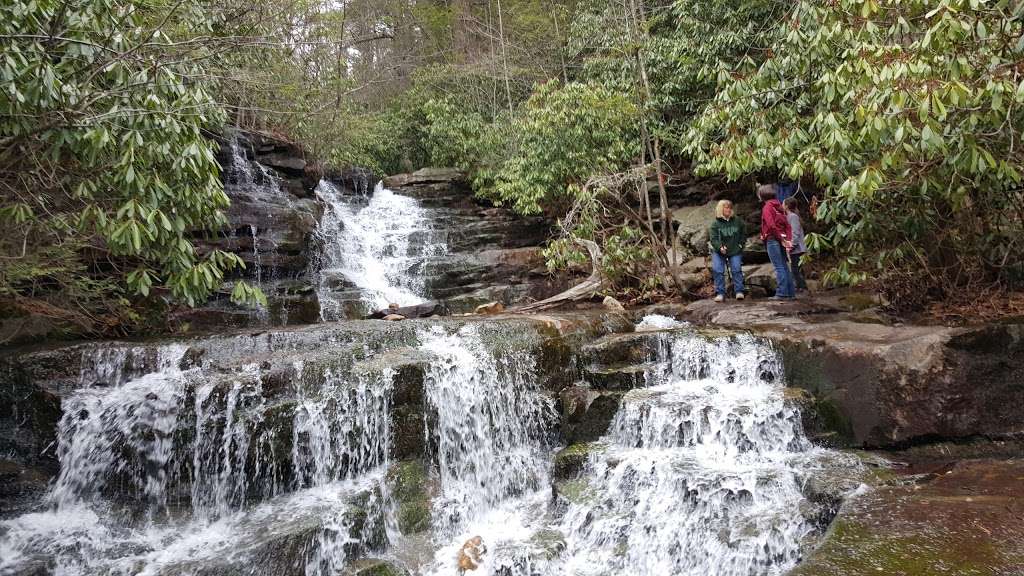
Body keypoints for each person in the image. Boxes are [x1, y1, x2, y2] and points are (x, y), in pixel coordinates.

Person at [758, 184, 796, 299]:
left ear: (761, 196)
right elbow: (787, 226)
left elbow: (771, 225)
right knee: (784, 266)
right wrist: (787, 239)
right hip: (780, 239)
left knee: (779, 267)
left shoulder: (767, 207)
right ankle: (790, 294)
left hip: (772, 239)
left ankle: (781, 293)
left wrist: (780, 238)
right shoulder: (779, 206)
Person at [708, 199, 746, 302]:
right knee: (718, 270)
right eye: (726, 207)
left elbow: (743, 233)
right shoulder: (715, 224)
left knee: (736, 269)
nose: (729, 209)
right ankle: (720, 293)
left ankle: (739, 291)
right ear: (721, 209)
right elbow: (713, 238)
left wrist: (740, 245)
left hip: (735, 249)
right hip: (719, 251)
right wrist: (720, 247)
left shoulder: (737, 221)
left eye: (730, 207)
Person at [783, 197, 808, 292]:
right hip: (794, 248)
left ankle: (802, 288)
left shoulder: (793, 217)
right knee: (796, 269)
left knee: (796, 269)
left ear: (786, 206)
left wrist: (791, 245)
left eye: (783, 203)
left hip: (797, 249)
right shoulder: (789, 216)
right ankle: (800, 287)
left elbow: (795, 233)